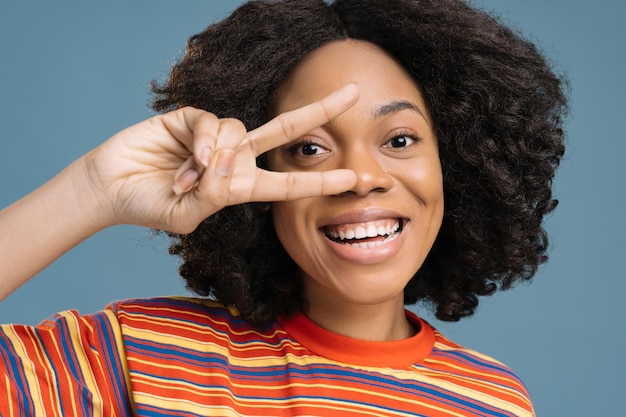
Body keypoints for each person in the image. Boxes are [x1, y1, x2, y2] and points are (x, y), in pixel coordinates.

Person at [0, 0, 567, 415]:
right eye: (309, 148)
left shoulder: (492, 401)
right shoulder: (142, 354)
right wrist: (90, 191)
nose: (363, 178)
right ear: (259, 180)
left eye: (399, 139)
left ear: (460, 164)